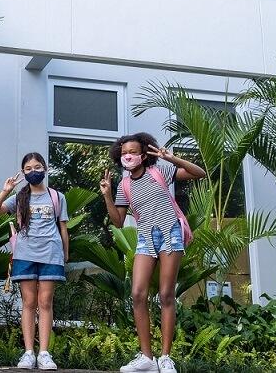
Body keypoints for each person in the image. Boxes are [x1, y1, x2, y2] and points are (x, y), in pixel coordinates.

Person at [99, 132, 205, 373]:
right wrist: (106, 194)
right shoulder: (124, 185)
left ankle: (166, 357)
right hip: (146, 238)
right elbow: (117, 221)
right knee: (137, 294)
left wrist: (172, 158)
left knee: (167, 294)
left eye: (133, 152)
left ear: (144, 154)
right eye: (125, 153)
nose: (128, 156)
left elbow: (199, 173)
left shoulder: (160, 171)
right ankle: (147, 358)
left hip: (170, 232)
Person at [0, 152, 69, 371]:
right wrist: (5, 191)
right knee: (29, 303)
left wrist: (65, 255)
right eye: (29, 168)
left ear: (46, 169)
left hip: (51, 254)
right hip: (25, 254)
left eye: (38, 167)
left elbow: (63, 228)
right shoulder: (20, 197)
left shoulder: (57, 196)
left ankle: (44, 353)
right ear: (23, 172)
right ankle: (28, 353)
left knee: (45, 303)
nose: (34, 171)